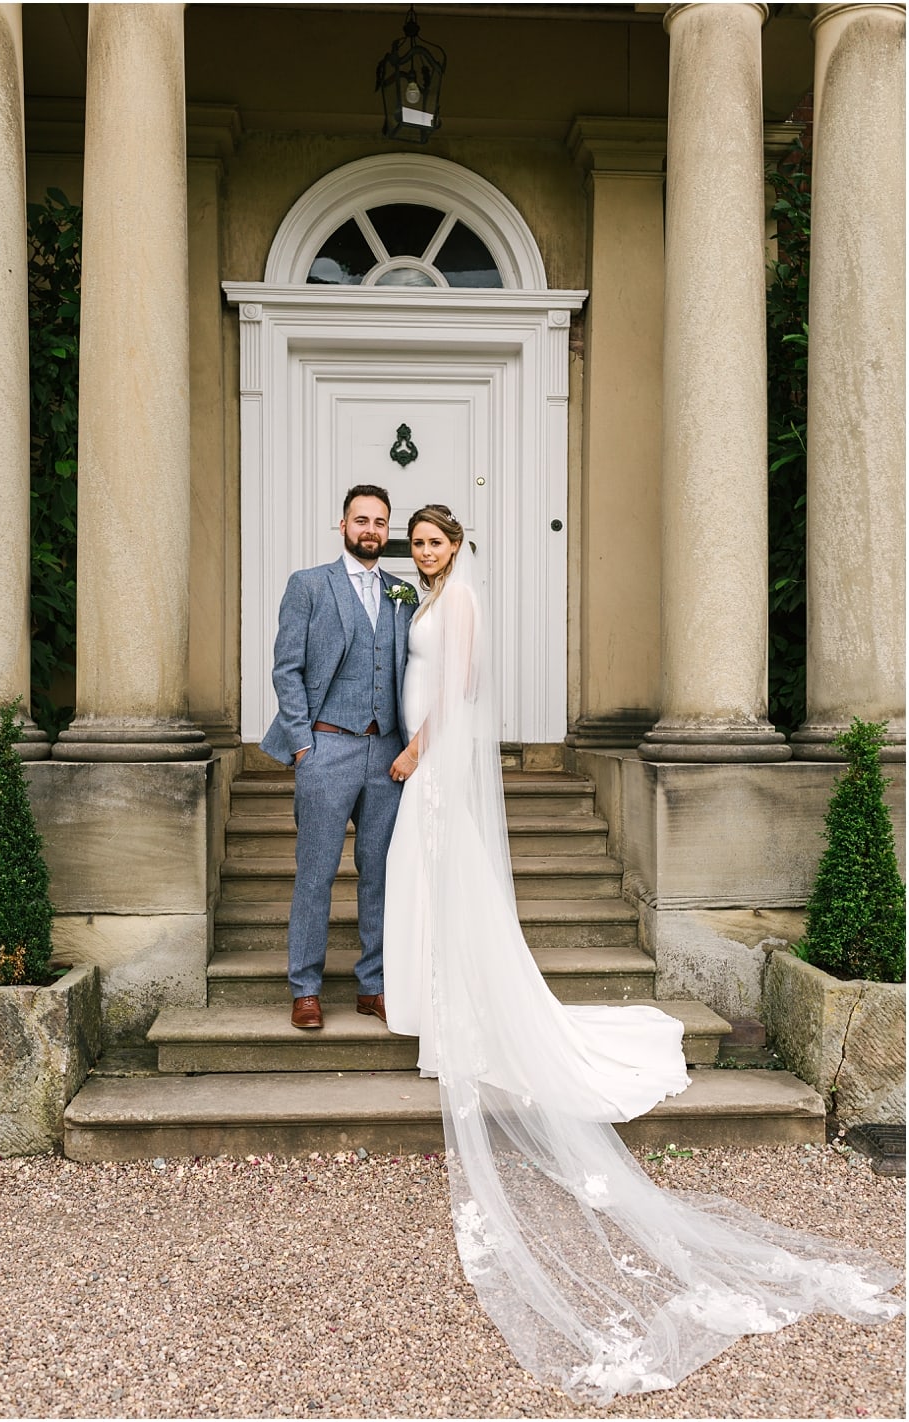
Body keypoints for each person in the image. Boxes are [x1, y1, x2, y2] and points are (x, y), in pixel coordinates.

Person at [382, 504, 903, 1406]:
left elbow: (459, 688)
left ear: (460, 546)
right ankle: (437, 1001)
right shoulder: (423, 596)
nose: (426, 552)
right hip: (421, 761)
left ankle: (459, 1008)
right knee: (424, 880)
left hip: (435, 760)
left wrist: (420, 748)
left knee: (440, 875)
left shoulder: (457, 604)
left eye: (436, 541)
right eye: (418, 542)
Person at [261, 485, 417, 1031]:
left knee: (380, 874)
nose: (370, 529)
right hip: (326, 747)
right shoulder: (309, 585)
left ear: (387, 529)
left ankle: (373, 985)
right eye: (361, 520)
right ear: (343, 524)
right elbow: (287, 669)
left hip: (388, 755)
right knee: (316, 874)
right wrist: (304, 745)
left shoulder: (404, 593)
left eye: (379, 522)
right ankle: (305, 988)